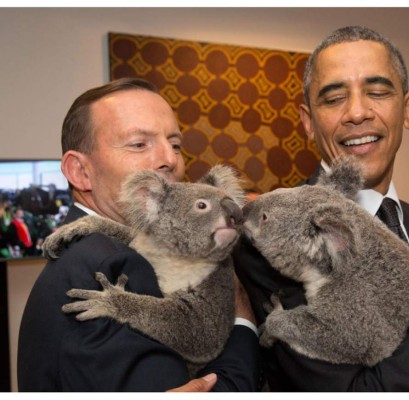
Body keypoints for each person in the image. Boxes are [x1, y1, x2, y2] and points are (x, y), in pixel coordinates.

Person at [234, 25, 409, 391]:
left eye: (378, 91)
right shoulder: (270, 236)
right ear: (308, 122)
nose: (357, 112)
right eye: (334, 98)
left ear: (408, 109)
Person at [17, 78, 260, 391]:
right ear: (80, 172)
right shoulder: (116, 264)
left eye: (175, 145)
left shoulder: (87, 248)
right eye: (138, 144)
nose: (169, 159)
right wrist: (243, 321)